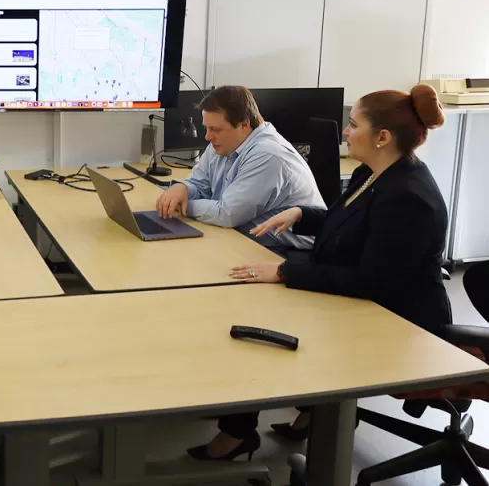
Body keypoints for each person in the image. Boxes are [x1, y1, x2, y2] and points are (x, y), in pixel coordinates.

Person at [187, 84, 452, 461]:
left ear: (382, 137)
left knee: (262, 321)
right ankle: (303, 414)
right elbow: (348, 223)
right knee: (253, 302)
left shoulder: (408, 197)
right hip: (361, 297)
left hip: (397, 322)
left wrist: (284, 271)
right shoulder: (375, 173)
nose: (345, 131)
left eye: (353, 124)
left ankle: (240, 430)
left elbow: (372, 282)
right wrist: (302, 214)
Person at [155, 85, 325, 255]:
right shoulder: (222, 143)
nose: (208, 136)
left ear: (244, 124)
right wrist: (183, 188)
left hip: (287, 252)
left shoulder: (268, 155)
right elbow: (201, 184)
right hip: (244, 237)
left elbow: (227, 214)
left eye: (215, 129)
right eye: (207, 128)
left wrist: (183, 206)